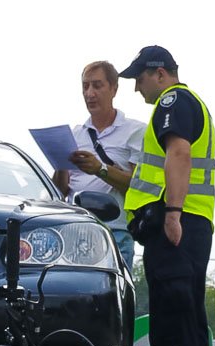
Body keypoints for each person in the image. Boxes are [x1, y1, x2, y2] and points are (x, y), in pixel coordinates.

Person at [119, 45, 215, 346]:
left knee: (174, 321)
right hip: (191, 223)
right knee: (186, 317)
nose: (136, 87)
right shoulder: (191, 103)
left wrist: (172, 214)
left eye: (139, 77)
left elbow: (179, 153)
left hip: (177, 224)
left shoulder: (172, 101)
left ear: (160, 74)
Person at [52, 61, 145, 268]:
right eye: (85, 86)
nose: (90, 93)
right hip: (74, 231)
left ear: (114, 88)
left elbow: (137, 186)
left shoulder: (135, 131)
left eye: (97, 85)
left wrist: (99, 169)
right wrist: (59, 163)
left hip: (114, 231)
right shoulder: (75, 134)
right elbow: (60, 190)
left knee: (112, 296)